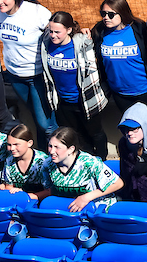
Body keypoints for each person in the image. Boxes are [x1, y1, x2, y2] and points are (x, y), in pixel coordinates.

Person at [0, 0, 56, 139]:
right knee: (35, 116)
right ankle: (42, 153)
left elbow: (58, 29)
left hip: (37, 76)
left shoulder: (36, 12)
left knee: (46, 124)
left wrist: (79, 31)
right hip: (15, 76)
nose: (0, 2)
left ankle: (59, 149)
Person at [41, 12, 108, 157]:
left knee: (96, 134)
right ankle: (87, 161)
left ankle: (102, 162)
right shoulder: (46, 42)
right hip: (63, 103)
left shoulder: (82, 44)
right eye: (51, 31)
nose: (53, 35)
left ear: (69, 30)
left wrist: (85, 35)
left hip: (85, 101)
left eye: (58, 32)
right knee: (76, 136)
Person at [91, 0, 147, 111]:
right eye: (103, 13)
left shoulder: (139, 28)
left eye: (111, 15)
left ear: (122, 13)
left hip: (144, 91)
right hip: (119, 93)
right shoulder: (99, 30)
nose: (106, 18)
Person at [44, 127, 124, 212]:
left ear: (71, 149)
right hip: (69, 211)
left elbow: (118, 183)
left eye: (57, 147)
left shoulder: (89, 163)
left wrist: (87, 197)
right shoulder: (48, 164)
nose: (52, 151)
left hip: (98, 210)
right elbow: (49, 190)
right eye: (50, 146)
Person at [0, 123, 52, 200]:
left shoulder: (42, 161)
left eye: (16, 144)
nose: (12, 148)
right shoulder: (10, 160)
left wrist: (24, 196)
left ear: (29, 143)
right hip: (19, 200)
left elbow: (49, 191)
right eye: (9, 145)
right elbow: (9, 186)